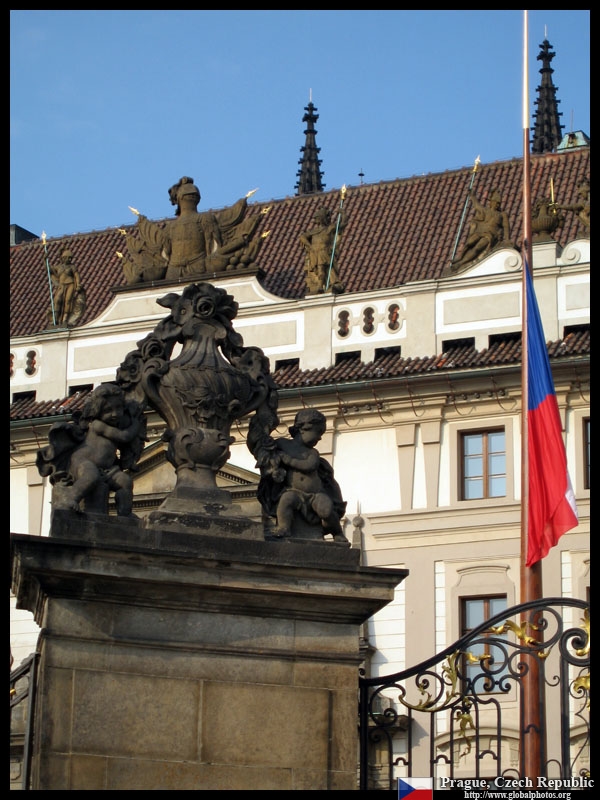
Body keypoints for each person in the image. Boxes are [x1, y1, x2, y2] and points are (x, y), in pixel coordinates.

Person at [36, 383, 146, 517]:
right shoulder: (97, 425)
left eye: (118, 408)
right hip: (83, 462)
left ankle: (125, 513)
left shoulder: (116, 424)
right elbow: (124, 436)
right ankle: (71, 497)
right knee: (91, 476)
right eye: (108, 410)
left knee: (125, 481)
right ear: (97, 411)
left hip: (106, 469)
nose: (115, 414)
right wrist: (135, 425)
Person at [258, 408, 349, 543]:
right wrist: (274, 467)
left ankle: (337, 532)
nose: (319, 438)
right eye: (318, 432)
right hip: (293, 491)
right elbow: (269, 455)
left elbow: (309, 466)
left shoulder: (312, 453)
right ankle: (283, 527)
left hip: (316, 494)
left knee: (326, 510)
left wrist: (288, 460)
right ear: (305, 428)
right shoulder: (282, 444)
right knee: (286, 501)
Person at [451, 189, 511, 271]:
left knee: (477, 248)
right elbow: (477, 206)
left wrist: (507, 239)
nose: (497, 205)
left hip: (490, 235)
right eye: (495, 202)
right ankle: (460, 257)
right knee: (469, 243)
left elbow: (506, 227)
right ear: (491, 202)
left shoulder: (502, 215)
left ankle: (460, 263)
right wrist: (472, 196)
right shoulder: (486, 211)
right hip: (480, 232)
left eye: (498, 203)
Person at [299, 204, 346, 294]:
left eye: (318, 218)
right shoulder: (313, 231)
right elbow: (302, 237)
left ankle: (321, 286)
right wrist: (310, 246)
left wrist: (343, 215)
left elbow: (341, 226)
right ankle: (321, 285)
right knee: (319, 270)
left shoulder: (329, 228)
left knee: (323, 269)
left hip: (324, 251)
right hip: (315, 253)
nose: (316, 220)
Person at [51, 248, 81, 325]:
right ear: (64, 258)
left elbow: (76, 276)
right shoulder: (58, 267)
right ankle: (56, 318)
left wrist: (78, 284)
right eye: (68, 258)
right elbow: (49, 269)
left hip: (70, 284)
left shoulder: (72, 267)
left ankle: (65, 318)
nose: (70, 260)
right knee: (57, 300)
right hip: (61, 285)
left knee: (68, 300)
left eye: (70, 258)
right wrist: (45, 260)